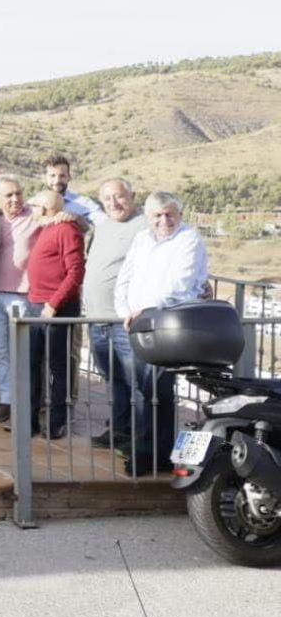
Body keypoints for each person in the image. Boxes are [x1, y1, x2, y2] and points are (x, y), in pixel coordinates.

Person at [114, 191, 209, 474]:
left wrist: (145, 309)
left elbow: (180, 284)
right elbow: (125, 277)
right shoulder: (142, 239)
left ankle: (151, 455)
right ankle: (150, 450)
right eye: (157, 215)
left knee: (157, 390)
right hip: (138, 323)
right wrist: (125, 311)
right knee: (143, 389)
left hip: (171, 323)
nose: (164, 220)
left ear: (179, 215)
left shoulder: (189, 239)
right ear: (148, 217)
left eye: (170, 214)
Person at [84, 179, 147, 450]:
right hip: (96, 319)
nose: (114, 203)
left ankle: (144, 438)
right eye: (107, 199)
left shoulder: (145, 225)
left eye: (119, 197)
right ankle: (120, 429)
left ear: (132, 195)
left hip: (125, 320)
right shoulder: (101, 226)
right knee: (114, 379)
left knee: (137, 381)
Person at [25, 189, 87, 440]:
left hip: (55, 307)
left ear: (46, 208)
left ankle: (56, 422)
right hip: (35, 304)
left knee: (58, 367)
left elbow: (75, 272)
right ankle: (30, 421)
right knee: (32, 365)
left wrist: (53, 303)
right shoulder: (46, 228)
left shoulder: (67, 230)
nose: (31, 209)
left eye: (34, 205)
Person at [0, 175, 40, 424]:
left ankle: (28, 401)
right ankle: (6, 398)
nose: (15, 199)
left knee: (24, 352)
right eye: (8, 195)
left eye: (18, 193)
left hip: (24, 296)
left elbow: (73, 221)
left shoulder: (36, 215)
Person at [45, 154, 101, 223]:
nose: (57, 181)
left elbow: (103, 222)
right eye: (52, 176)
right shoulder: (33, 205)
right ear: (46, 177)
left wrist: (79, 220)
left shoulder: (85, 204)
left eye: (62, 176)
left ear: (69, 177)